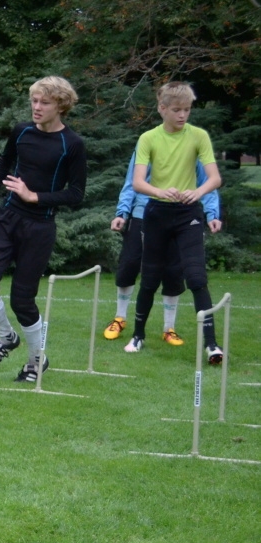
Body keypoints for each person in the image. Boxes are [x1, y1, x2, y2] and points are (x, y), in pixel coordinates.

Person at [0, 76, 86, 381]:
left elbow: (76, 193)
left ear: (60, 105)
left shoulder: (72, 144)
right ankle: (7, 338)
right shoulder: (21, 131)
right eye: (34, 101)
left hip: (39, 227)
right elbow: (3, 163)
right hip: (7, 218)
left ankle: (36, 362)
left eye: (44, 102)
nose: (36, 107)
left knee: (22, 299)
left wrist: (34, 196)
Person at [120, 82, 224, 364]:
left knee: (196, 277)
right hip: (156, 213)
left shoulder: (199, 136)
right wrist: (159, 191)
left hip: (188, 213)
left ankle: (212, 345)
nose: (182, 115)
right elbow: (138, 182)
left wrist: (198, 193)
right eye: (176, 110)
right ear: (162, 109)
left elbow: (214, 178)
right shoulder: (148, 138)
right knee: (150, 278)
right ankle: (138, 335)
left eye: (187, 110)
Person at [104, 149, 221, 346]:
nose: (181, 116)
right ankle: (119, 318)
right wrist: (122, 212)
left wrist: (212, 213)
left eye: (184, 114)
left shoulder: (193, 147)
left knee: (173, 271)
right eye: (176, 114)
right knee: (129, 264)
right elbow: (131, 182)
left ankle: (169, 328)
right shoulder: (149, 144)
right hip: (143, 214)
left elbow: (206, 182)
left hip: (178, 218)